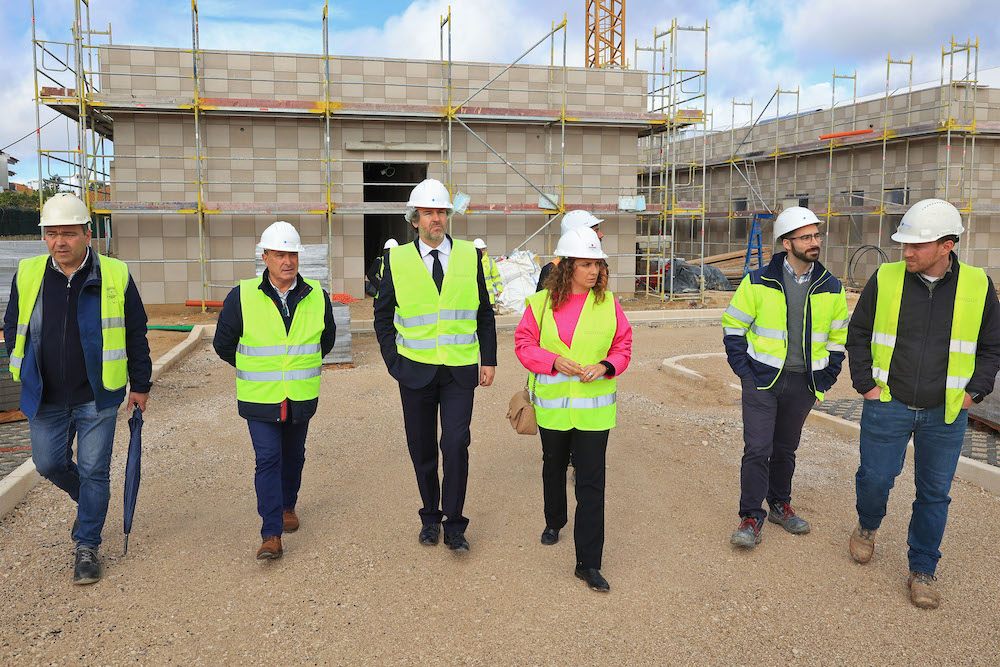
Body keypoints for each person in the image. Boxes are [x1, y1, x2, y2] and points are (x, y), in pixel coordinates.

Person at [845, 198, 1000, 609]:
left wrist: (975, 392)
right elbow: (857, 332)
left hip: (945, 413)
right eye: (904, 245)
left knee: (933, 493)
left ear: (947, 245)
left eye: (917, 245)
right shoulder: (887, 278)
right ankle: (867, 526)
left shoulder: (978, 286)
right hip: (888, 403)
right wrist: (866, 385)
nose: (907, 252)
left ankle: (923, 569)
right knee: (875, 478)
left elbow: (991, 347)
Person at [3, 192, 152, 585]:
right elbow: (12, 325)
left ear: (88, 234)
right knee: (49, 462)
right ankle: (88, 503)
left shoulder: (115, 274)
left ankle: (87, 544)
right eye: (51, 234)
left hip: (97, 394)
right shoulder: (29, 272)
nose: (59, 242)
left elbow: (136, 331)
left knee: (94, 470)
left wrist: (141, 383)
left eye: (68, 233)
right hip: (45, 394)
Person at [373, 178, 497, 552]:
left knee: (456, 443)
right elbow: (382, 317)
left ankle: (455, 524)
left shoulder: (468, 256)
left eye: (441, 212)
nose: (436, 219)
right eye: (428, 213)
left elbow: (484, 312)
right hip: (414, 370)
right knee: (422, 447)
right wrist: (394, 362)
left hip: (459, 369)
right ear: (415, 219)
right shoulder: (395, 260)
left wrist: (487, 358)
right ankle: (430, 517)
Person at [721, 206, 848, 549]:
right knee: (757, 449)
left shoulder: (831, 286)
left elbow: (838, 339)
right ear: (786, 243)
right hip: (762, 381)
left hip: (804, 384)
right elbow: (734, 328)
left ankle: (779, 504)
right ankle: (750, 516)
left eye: (816, 235)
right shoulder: (757, 281)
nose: (814, 242)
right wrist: (745, 374)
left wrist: (824, 380)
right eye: (806, 237)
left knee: (785, 449)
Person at [514, 226, 632, 592]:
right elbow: (523, 344)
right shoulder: (540, 304)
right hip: (553, 411)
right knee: (553, 465)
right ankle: (554, 520)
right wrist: (552, 361)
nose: (594, 271)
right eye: (585, 264)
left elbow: (623, 346)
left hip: (594, 413)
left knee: (591, 484)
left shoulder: (610, 304)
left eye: (597, 264)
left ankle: (588, 563)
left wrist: (607, 366)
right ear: (567, 266)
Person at [213, 220, 337, 560]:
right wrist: (257, 369)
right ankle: (271, 534)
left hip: (300, 394)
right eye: (280, 254)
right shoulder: (242, 297)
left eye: (292, 254)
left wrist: (295, 367)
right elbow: (223, 344)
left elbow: (325, 341)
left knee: (294, 456)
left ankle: (287, 506)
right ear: (265, 257)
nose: (288, 261)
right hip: (260, 396)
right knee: (268, 458)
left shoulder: (316, 296)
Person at [536, 210, 604, 292]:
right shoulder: (552, 270)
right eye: (595, 231)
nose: (601, 235)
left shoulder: (601, 265)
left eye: (596, 264)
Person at [473, 238, 504, 311]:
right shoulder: (470, 261)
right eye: (479, 250)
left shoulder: (490, 261)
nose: (482, 252)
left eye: (483, 249)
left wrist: (499, 288)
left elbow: (496, 277)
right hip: (474, 297)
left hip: (488, 298)